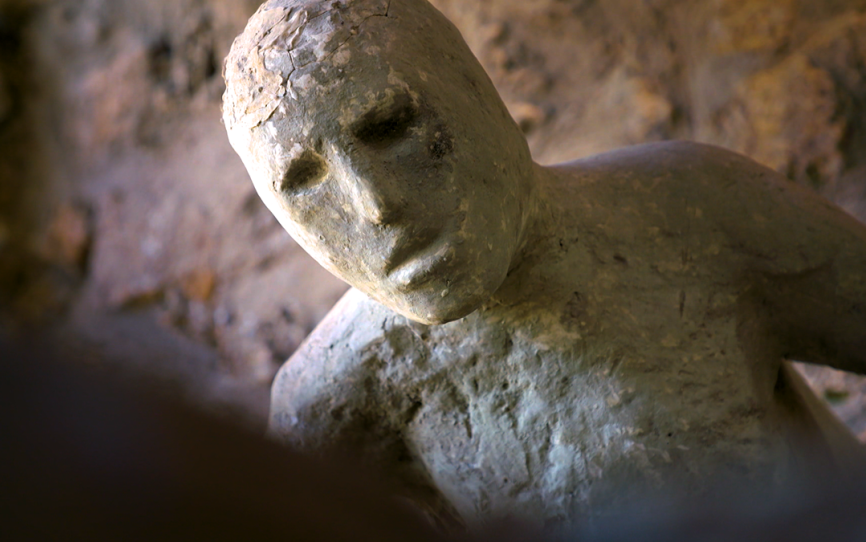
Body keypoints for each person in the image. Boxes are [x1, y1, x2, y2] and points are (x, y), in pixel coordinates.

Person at [223, 0, 866, 532]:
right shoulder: (338, 400)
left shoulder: (692, 211)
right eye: (305, 182)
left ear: (476, 93)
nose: (375, 204)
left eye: (390, 126)